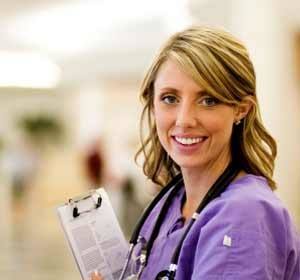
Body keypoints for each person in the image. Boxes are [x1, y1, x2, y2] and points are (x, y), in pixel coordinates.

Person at [91, 26, 300, 279]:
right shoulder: (169, 204)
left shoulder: (244, 215)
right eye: (169, 98)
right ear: (153, 104)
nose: (184, 120)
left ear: (241, 109)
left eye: (208, 100)